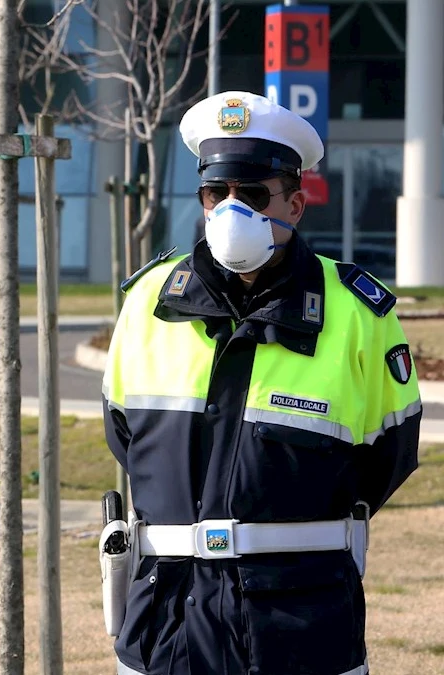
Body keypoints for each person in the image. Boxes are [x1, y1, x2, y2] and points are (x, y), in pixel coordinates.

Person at [98, 91, 421, 675]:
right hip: (167, 623)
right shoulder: (147, 302)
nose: (230, 209)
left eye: (251, 195)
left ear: (295, 205)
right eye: (214, 193)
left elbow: (387, 458)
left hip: (300, 627)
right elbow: (125, 437)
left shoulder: (357, 314)